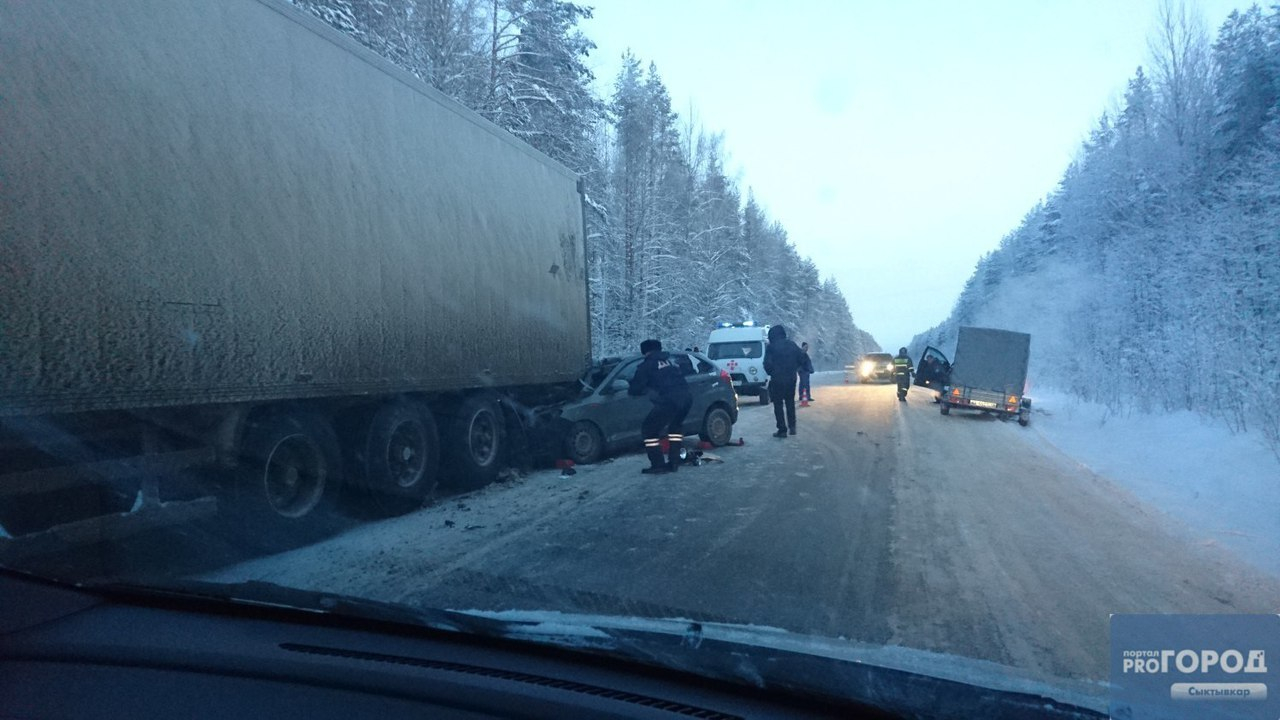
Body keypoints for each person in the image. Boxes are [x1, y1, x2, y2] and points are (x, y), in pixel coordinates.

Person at [628, 339, 693, 474]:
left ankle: (658, 464)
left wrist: (639, 388)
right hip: (686, 398)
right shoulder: (670, 362)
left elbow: (635, 388)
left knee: (649, 430)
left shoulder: (647, 365)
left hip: (669, 400)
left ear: (645, 351)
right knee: (675, 429)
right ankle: (674, 462)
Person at [763, 325, 805, 438]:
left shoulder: (771, 347)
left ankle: (782, 430)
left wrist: (772, 372)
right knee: (790, 403)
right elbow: (802, 358)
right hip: (791, 378)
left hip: (777, 380)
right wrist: (795, 368)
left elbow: (766, 364)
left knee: (778, 405)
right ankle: (792, 427)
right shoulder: (792, 345)